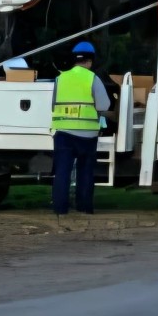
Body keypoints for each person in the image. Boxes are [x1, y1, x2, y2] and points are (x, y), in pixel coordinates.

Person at [51, 40, 112, 217]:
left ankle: (60, 209)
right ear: (90, 61)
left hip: (63, 133)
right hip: (87, 135)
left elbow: (53, 104)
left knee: (62, 172)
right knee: (85, 172)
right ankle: (84, 208)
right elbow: (104, 105)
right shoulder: (93, 78)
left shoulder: (60, 78)